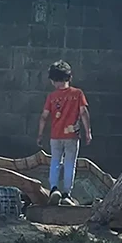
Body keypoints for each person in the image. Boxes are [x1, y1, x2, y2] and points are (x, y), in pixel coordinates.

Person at [36, 60, 91, 206]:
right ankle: (67, 194)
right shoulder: (78, 94)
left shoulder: (52, 97)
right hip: (72, 136)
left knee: (55, 162)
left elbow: (44, 116)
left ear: (53, 80)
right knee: (70, 164)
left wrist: (40, 134)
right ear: (69, 77)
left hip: (55, 135)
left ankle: (54, 189)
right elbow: (84, 113)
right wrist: (88, 132)